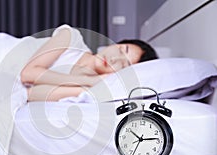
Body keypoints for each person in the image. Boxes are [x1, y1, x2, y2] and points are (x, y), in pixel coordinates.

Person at [21, 25, 158, 102]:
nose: (114, 59)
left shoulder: (88, 90)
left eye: (123, 65)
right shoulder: (71, 38)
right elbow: (27, 74)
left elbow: (28, 94)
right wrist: (87, 80)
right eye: (122, 49)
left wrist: (88, 85)